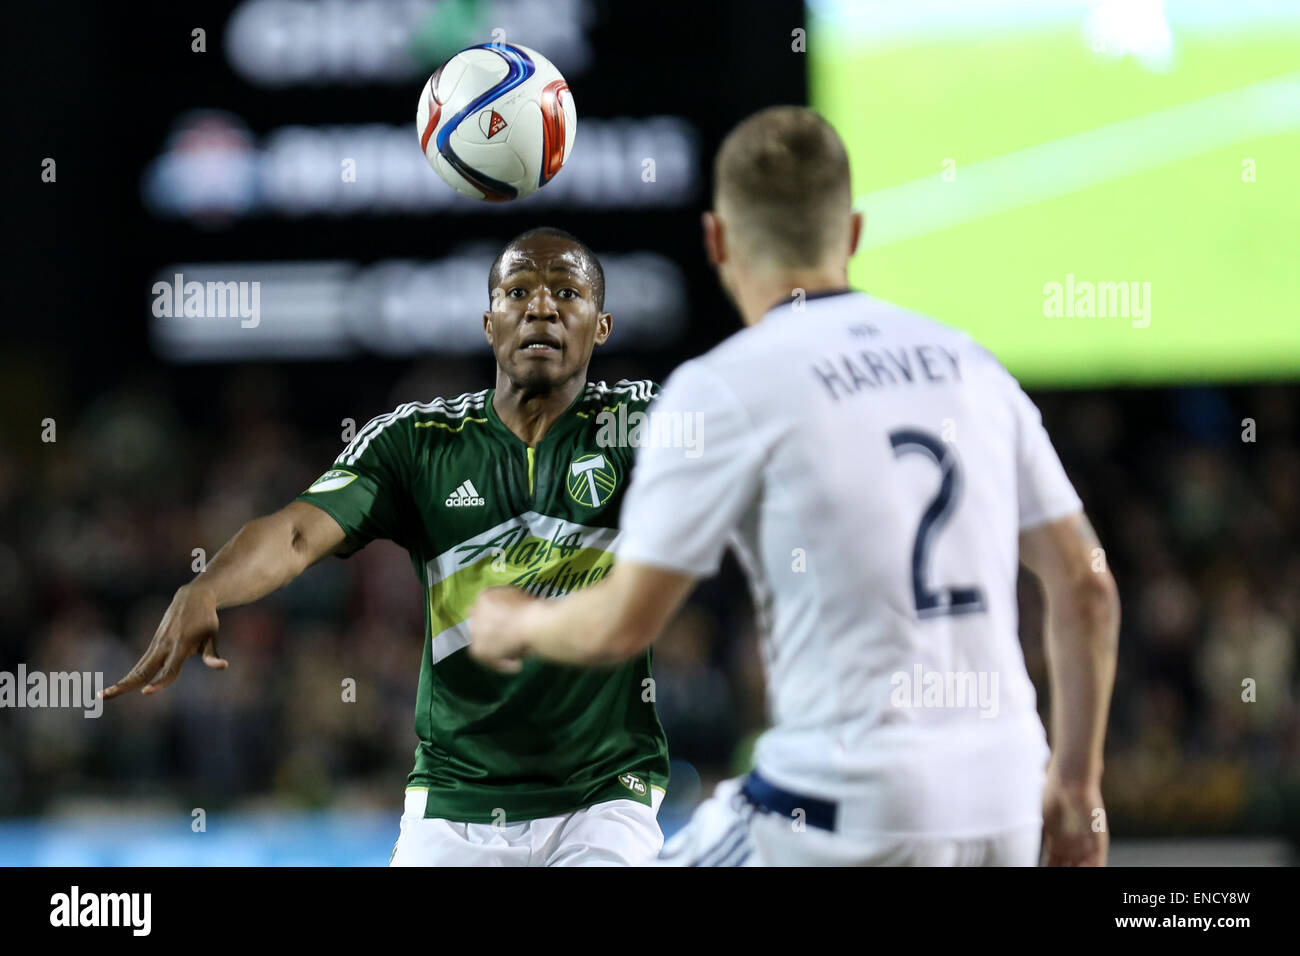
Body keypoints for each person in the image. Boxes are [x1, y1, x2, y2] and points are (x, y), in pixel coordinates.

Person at [467, 108, 1120, 866]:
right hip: (1008, 797)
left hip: (841, 809)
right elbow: (1087, 585)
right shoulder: (972, 366)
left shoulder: (727, 384)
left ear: (717, 239)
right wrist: (1076, 785)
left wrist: (516, 624)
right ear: (851, 232)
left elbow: (621, 625)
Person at [103, 227, 670, 866]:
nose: (541, 307)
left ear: (602, 326)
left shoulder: (639, 427)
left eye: (567, 292)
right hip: (455, 802)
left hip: (603, 798)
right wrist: (209, 584)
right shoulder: (417, 443)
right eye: (518, 292)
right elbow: (295, 533)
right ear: (490, 324)